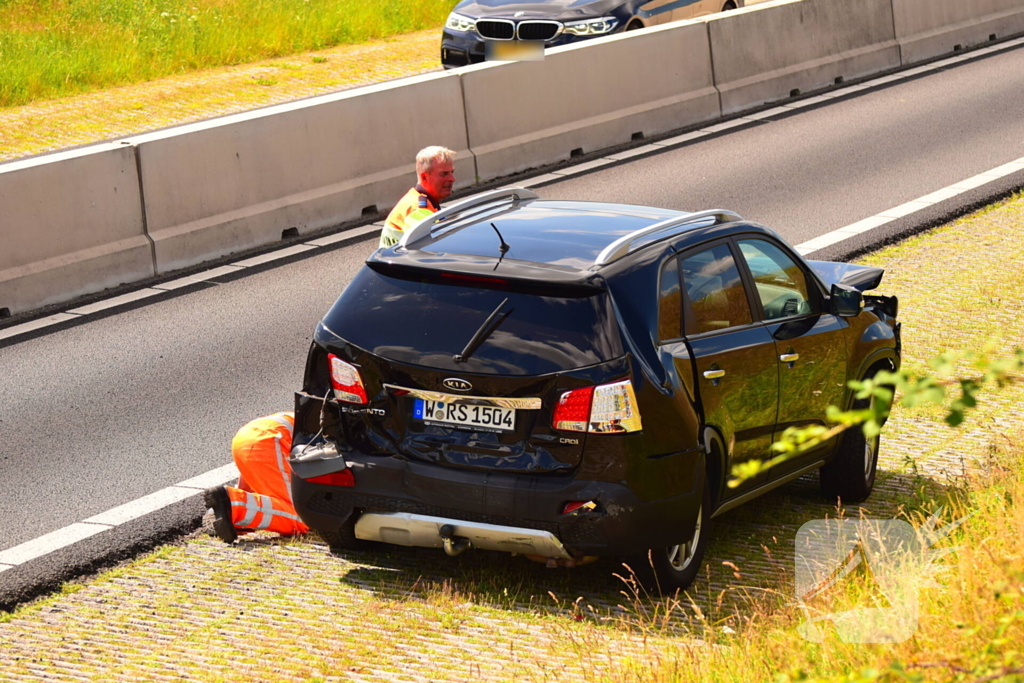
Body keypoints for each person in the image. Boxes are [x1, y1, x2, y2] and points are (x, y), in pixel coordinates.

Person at [204, 412, 309, 543]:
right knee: (304, 517)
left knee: (262, 498)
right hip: (271, 440)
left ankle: (225, 513)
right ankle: (233, 507)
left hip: (247, 436)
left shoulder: (317, 414)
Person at [378, 145, 456, 248]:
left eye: (452, 172)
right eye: (444, 174)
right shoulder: (418, 209)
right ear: (424, 177)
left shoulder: (417, 197)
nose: (452, 179)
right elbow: (433, 248)